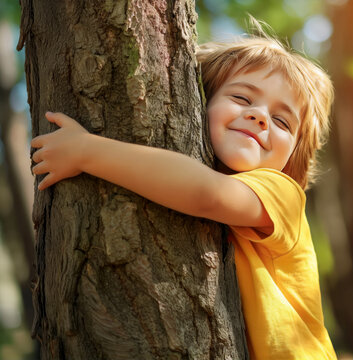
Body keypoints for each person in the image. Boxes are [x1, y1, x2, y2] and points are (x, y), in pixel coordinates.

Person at [31, 25, 336, 359]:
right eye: (241, 98)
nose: (260, 117)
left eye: (282, 122)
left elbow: (207, 193)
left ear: (292, 158)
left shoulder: (282, 193)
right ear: (198, 103)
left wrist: (88, 152)